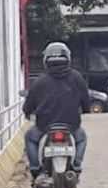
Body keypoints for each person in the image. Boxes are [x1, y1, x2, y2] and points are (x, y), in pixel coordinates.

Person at [23, 42, 90, 180]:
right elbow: (85, 99)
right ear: (68, 58)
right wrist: (85, 109)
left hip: (45, 126)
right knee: (82, 138)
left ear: (46, 60)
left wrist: (27, 112)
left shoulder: (39, 81)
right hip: (71, 125)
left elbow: (29, 104)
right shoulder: (77, 77)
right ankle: (76, 165)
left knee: (30, 138)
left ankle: (36, 169)